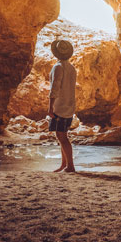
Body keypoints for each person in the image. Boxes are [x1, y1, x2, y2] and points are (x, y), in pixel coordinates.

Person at [47, 37, 77, 173]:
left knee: (62, 137)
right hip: (69, 106)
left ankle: (70, 166)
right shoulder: (71, 68)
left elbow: (55, 88)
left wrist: (50, 106)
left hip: (60, 106)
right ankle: (64, 164)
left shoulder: (57, 67)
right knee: (62, 135)